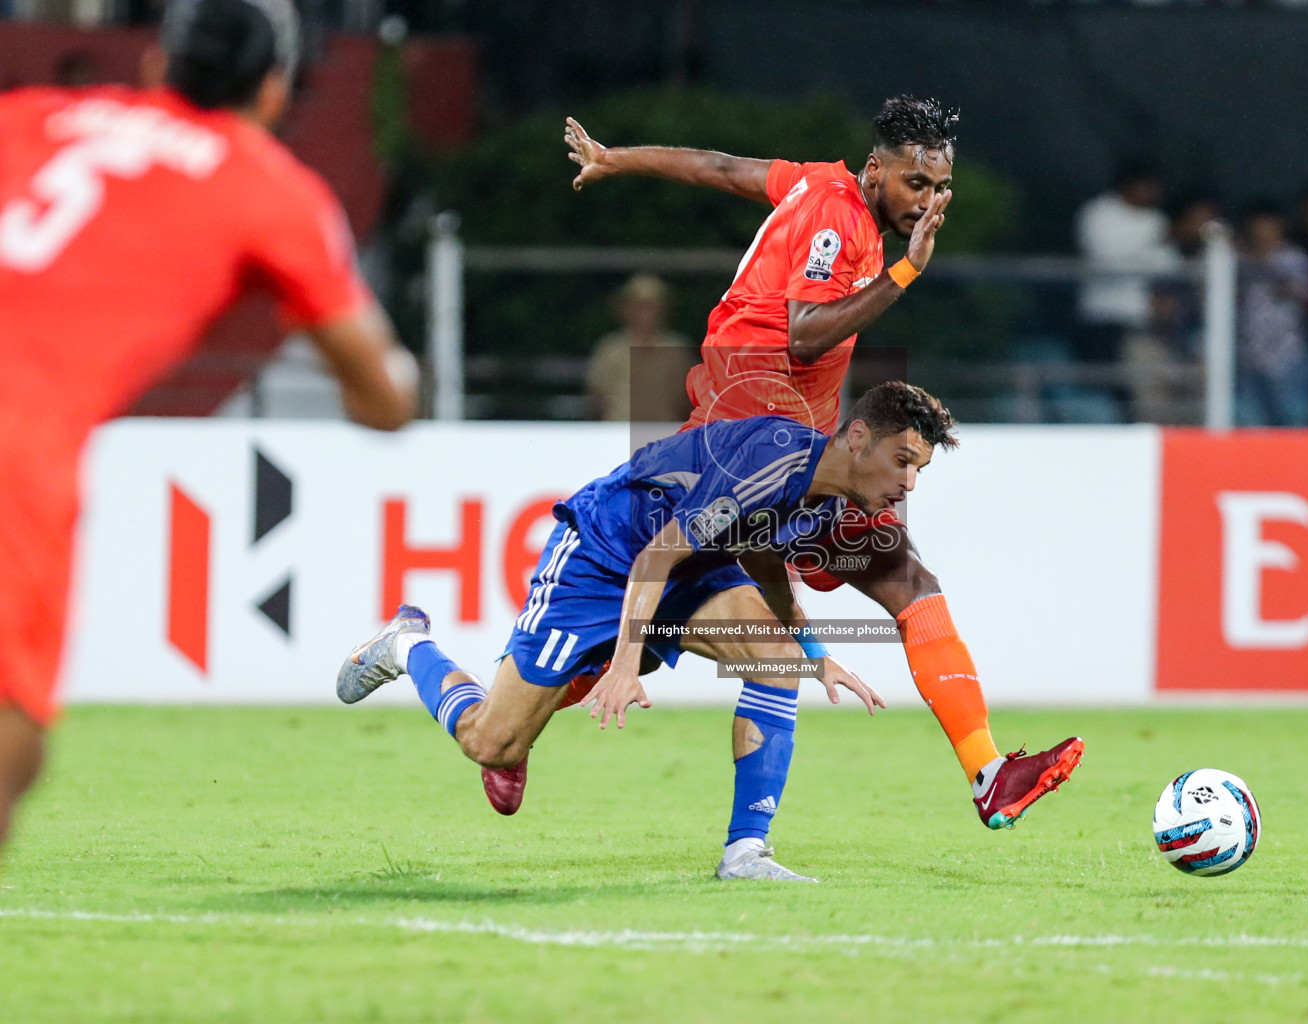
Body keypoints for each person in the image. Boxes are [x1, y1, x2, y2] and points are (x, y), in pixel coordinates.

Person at [561, 96, 1084, 836]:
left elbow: (717, 168)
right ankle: (510, 721)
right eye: (915, 184)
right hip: (745, 453)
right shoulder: (839, 219)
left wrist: (619, 158)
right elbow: (805, 337)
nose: (929, 201)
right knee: (651, 642)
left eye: (941, 189)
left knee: (900, 579)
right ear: (877, 171)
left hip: (790, 457)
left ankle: (989, 772)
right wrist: (906, 274)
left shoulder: (815, 185)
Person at [340, 383, 1082, 880]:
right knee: (490, 742)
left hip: (694, 568)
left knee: (776, 659)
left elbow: (760, 557)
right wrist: (628, 661)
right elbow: (657, 553)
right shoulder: (769, 462)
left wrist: (815, 654)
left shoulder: (827, 504)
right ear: (859, 437)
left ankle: (746, 851)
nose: (909, 483)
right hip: (607, 552)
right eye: (903, 461)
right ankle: (408, 643)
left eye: (920, 470)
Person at [0, 0, 419, 861]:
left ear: (158, 62)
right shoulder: (266, 187)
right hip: (17, 434)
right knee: (12, 739)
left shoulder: (32, 114)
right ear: (271, 92)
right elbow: (385, 399)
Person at [1074, 157, 1180, 366]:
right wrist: (1151, 244)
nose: (1153, 192)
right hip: (1103, 315)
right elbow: (1104, 258)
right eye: (1148, 186)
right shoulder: (1099, 212)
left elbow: (1168, 265)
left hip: (1143, 321)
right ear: (1131, 184)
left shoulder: (1156, 220)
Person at [1237, 200, 1308, 427]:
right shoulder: (1240, 259)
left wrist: (1264, 266)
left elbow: (1302, 292)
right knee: (1251, 421)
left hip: (1287, 353)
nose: (1262, 233)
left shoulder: (1294, 257)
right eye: (1257, 228)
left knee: (1292, 418)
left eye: (1268, 227)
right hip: (1249, 353)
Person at [584, 273, 694, 423]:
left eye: (651, 306)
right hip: (618, 431)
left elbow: (687, 398)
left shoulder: (677, 349)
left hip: (664, 433)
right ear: (626, 309)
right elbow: (596, 395)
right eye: (639, 306)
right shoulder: (610, 348)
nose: (645, 313)